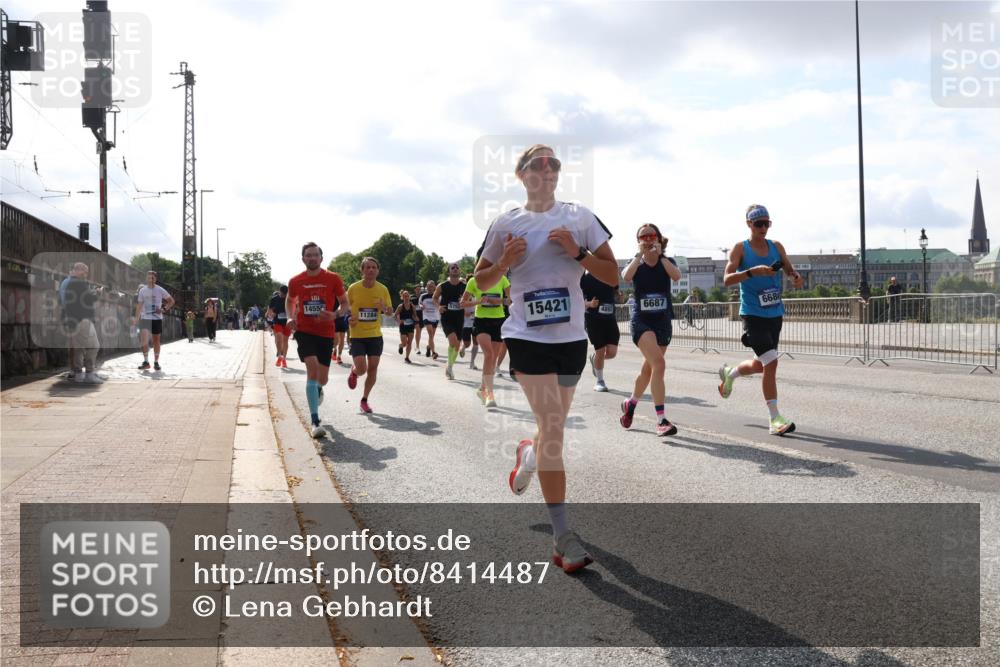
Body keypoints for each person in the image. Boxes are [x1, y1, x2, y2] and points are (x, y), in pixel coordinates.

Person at [476, 143, 618, 574]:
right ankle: (563, 538)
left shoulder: (580, 217)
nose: (547, 168)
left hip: (571, 338)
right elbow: (482, 281)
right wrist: (504, 261)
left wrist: (578, 252)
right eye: (537, 164)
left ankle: (529, 455)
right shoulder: (506, 223)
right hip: (526, 336)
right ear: (522, 174)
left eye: (553, 163)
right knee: (554, 428)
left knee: (550, 427)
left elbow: (611, 275)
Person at [718, 204, 803, 436]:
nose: (763, 228)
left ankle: (730, 374)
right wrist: (751, 272)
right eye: (759, 224)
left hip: (775, 314)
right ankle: (775, 419)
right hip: (752, 314)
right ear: (749, 224)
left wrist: (796, 277)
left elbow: (790, 270)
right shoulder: (740, 249)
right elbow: (726, 279)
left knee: (761, 364)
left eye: (767, 223)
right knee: (771, 362)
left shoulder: (776, 246)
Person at [619, 224, 683, 436]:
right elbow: (626, 276)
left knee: (649, 370)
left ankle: (631, 403)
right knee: (659, 364)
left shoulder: (667, 261)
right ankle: (661, 420)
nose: (647, 239)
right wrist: (640, 255)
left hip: (662, 322)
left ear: (658, 238)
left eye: (651, 235)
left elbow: (676, 276)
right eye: (643, 237)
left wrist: (661, 254)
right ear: (638, 241)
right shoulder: (636, 262)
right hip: (642, 321)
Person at [287, 242, 350, 438]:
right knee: (312, 369)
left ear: (321, 258)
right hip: (304, 331)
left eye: (315, 255)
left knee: (322, 379)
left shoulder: (333, 278)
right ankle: (315, 422)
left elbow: (345, 303)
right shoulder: (296, 281)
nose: (312, 258)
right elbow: (290, 300)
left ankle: (318, 389)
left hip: (326, 332)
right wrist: (289, 317)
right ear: (303, 258)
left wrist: (335, 314)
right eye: (308, 255)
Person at [346, 257, 393, 413]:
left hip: (375, 335)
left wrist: (384, 307)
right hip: (357, 335)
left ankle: (364, 400)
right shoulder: (353, 288)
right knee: (362, 369)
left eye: (374, 267)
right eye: (368, 267)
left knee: (373, 369)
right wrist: (348, 318)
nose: (371, 270)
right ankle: (354, 372)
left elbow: (390, 312)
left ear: (378, 271)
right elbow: (345, 307)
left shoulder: (383, 289)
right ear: (362, 270)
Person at [463, 270, 509, 407]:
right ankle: (489, 394)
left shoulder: (502, 279)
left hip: (498, 320)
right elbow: (462, 303)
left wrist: (499, 301)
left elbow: (511, 300)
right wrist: (478, 301)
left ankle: (482, 389)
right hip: (481, 321)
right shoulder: (473, 281)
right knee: (488, 354)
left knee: (493, 358)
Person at [63, 262, 104, 384]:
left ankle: (78, 374)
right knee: (94, 346)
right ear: (77, 270)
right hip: (83, 320)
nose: (86, 274)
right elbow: (89, 298)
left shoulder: (70, 283)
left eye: (86, 272)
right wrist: (98, 292)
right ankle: (89, 374)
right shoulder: (80, 283)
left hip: (73, 320)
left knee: (79, 348)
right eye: (84, 271)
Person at [581, 270, 620, 392]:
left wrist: (618, 295)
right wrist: (589, 304)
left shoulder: (609, 273)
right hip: (594, 319)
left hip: (610, 318)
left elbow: (615, 289)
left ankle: (595, 359)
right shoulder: (585, 277)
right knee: (600, 351)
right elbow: (577, 299)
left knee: (612, 353)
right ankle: (600, 381)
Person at [134, 271, 174, 371]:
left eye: (152, 278)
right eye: (149, 278)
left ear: (155, 279)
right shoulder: (142, 290)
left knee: (156, 340)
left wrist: (163, 309)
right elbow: (139, 305)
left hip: (156, 318)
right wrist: (136, 318)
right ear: (146, 279)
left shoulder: (160, 290)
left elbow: (171, 301)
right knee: (144, 340)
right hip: (145, 318)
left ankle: (156, 362)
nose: (150, 280)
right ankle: (146, 362)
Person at [434, 263, 467, 380]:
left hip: (459, 317)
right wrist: (438, 306)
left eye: (457, 267)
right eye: (453, 268)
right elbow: (434, 298)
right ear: (449, 271)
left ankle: (450, 366)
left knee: (456, 345)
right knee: (453, 341)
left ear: (460, 271)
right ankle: (449, 366)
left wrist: (464, 300)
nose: (455, 269)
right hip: (447, 317)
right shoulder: (442, 286)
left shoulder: (465, 286)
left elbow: (469, 298)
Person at [268, 286, 290, 367]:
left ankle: (284, 359)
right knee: (279, 338)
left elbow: (295, 308)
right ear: (279, 292)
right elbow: (269, 310)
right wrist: (272, 314)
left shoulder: (290, 298)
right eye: (282, 294)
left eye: (285, 294)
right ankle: (280, 355)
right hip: (277, 321)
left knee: (285, 340)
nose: (284, 296)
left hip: (287, 322)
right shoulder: (274, 299)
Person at [394, 289, 417, 363]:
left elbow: (415, 315)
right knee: (404, 343)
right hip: (403, 326)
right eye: (404, 296)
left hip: (411, 326)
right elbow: (395, 315)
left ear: (409, 297)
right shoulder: (400, 306)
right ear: (402, 297)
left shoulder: (412, 306)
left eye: (407, 296)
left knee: (409, 343)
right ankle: (401, 346)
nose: (406, 298)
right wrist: (399, 321)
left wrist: (416, 319)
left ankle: (407, 357)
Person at [419, 280, 439, 359]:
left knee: (432, 336)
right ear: (426, 287)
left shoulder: (437, 295)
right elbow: (420, 303)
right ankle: (433, 352)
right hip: (426, 316)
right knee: (430, 334)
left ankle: (428, 347)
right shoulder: (423, 296)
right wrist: (421, 306)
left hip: (435, 317)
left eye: (431, 286)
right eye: (428, 286)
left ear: (434, 287)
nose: (430, 288)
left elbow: (441, 304)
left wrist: (437, 304)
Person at [333, 295, 349, 364]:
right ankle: (334, 349)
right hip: (335, 319)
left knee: (342, 339)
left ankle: (339, 356)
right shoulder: (333, 296)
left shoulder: (345, 296)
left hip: (343, 320)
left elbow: (348, 306)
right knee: (336, 340)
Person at [412, 284, 425, 354]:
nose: (418, 290)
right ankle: (417, 347)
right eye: (417, 289)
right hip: (414, 316)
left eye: (419, 289)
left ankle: (417, 345)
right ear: (414, 290)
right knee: (418, 329)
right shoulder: (411, 297)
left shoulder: (423, 296)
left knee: (419, 331)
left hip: (422, 316)